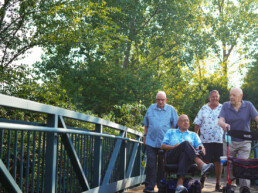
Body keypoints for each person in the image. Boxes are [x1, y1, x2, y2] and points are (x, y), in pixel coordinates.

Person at [218, 88, 258, 193]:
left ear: (241, 96)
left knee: (243, 163)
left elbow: (257, 117)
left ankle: (244, 187)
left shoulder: (248, 105)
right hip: (229, 141)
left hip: (244, 141)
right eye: (230, 95)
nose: (231, 97)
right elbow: (220, 120)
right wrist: (224, 124)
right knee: (229, 163)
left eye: (234, 95)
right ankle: (230, 185)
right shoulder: (226, 106)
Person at [161, 114, 214, 193]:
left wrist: (202, 148)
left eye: (187, 120)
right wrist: (174, 147)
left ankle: (179, 184)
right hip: (172, 157)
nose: (186, 122)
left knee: (184, 153)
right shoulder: (171, 131)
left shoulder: (193, 135)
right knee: (186, 143)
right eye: (183, 121)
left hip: (187, 159)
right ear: (178, 123)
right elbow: (162, 146)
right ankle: (201, 164)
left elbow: (200, 146)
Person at [142, 91, 179, 193]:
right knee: (150, 164)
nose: (160, 101)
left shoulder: (171, 110)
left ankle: (161, 187)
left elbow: (176, 126)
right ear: (156, 100)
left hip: (165, 144)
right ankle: (149, 187)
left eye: (162, 100)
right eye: (158, 99)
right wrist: (145, 136)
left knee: (163, 166)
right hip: (151, 141)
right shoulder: (150, 108)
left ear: (166, 100)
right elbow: (146, 124)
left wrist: (173, 139)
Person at [193, 90, 223, 191]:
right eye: (212, 97)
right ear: (209, 98)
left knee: (218, 162)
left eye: (216, 96)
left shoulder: (223, 108)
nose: (214, 98)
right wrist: (195, 138)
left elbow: (228, 123)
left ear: (218, 97)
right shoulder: (203, 108)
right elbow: (197, 124)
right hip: (205, 140)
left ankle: (218, 183)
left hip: (219, 140)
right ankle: (202, 180)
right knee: (205, 161)